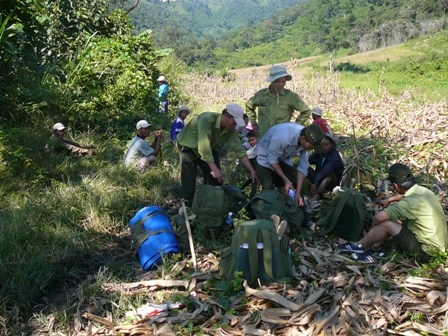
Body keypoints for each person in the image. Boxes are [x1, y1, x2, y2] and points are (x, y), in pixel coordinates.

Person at [338, 163, 448, 263]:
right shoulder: (424, 191)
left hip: (427, 253)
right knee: (395, 220)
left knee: (388, 224)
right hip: (439, 246)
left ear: (395, 186)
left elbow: (378, 218)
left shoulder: (408, 204)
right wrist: (390, 200)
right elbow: (405, 196)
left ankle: (358, 246)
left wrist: (374, 226)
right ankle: (375, 245)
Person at [176, 103, 257, 207]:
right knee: (189, 176)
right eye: (234, 122)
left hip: (207, 147)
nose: (235, 126)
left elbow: (239, 150)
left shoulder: (230, 129)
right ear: (226, 116)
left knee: (216, 179)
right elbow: (203, 145)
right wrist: (213, 168)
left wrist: (252, 170)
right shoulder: (206, 119)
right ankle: (187, 206)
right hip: (188, 145)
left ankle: (212, 202)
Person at [255, 123, 325, 207]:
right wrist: (286, 180)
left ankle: (298, 211)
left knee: (295, 182)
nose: (310, 149)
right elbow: (272, 160)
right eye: (310, 147)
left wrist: (298, 192)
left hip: (283, 158)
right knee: (268, 190)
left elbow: (303, 167)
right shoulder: (283, 136)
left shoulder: (308, 140)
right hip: (264, 157)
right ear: (303, 139)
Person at [245, 64, 311, 137]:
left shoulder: (290, 96)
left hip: (281, 138)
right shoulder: (261, 95)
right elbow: (249, 106)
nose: (281, 84)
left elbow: (306, 111)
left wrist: (294, 127)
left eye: (283, 81)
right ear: (272, 81)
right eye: (278, 82)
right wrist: (254, 123)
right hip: (264, 136)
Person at [307, 134, 344, 199]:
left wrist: (315, 181)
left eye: (326, 144)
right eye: (322, 144)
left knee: (329, 174)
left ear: (331, 145)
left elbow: (326, 170)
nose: (324, 147)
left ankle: (317, 194)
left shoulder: (334, 156)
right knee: (305, 167)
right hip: (319, 178)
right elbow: (309, 160)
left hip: (331, 183)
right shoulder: (319, 153)